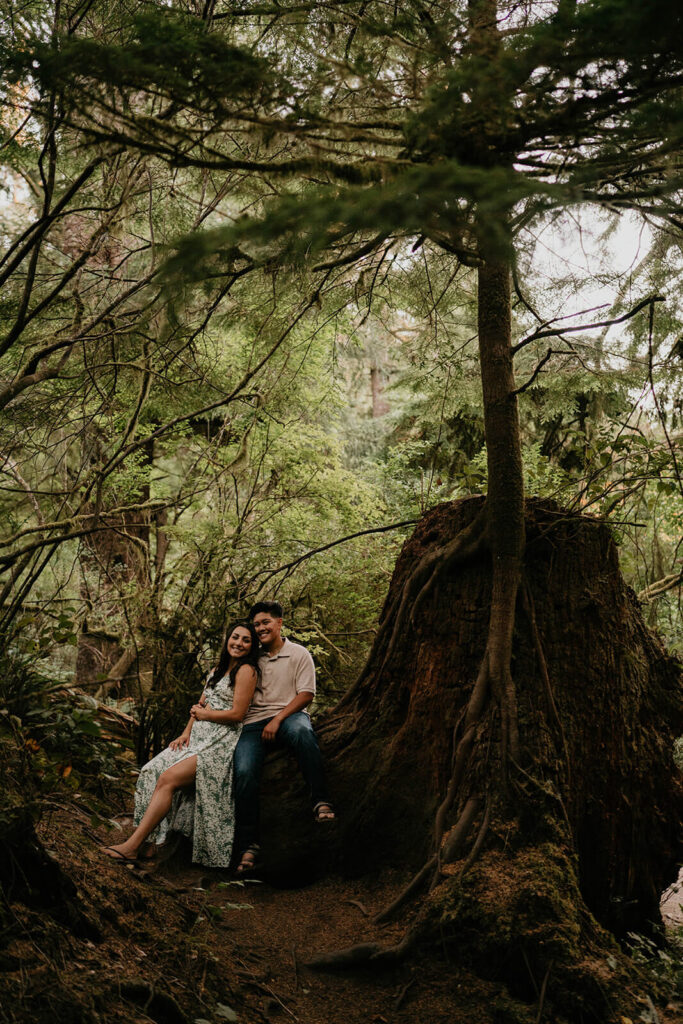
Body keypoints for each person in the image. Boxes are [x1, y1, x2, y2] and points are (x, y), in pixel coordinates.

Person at [101, 621, 260, 868]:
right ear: (227, 638)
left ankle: (130, 847)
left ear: (252, 646)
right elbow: (199, 705)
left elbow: (238, 714)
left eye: (246, 640)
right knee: (150, 770)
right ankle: (148, 844)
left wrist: (206, 716)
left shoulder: (247, 671)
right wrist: (186, 733)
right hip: (196, 737)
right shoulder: (218, 669)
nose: (238, 643)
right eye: (235, 637)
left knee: (168, 778)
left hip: (218, 744)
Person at [233, 600, 334, 876]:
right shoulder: (252, 658)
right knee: (243, 771)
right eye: (256, 625)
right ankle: (247, 845)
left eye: (265, 622)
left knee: (302, 732)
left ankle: (321, 800)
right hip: (253, 724)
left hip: (289, 715)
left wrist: (278, 719)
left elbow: (306, 694)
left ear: (279, 623)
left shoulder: (299, 653)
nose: (260, 628)